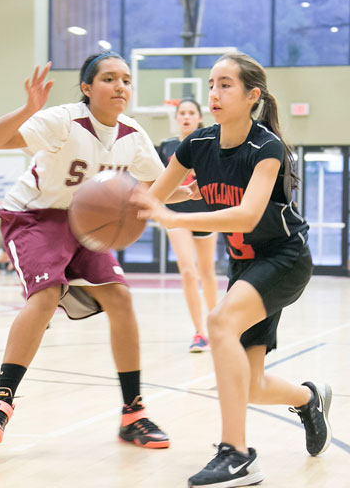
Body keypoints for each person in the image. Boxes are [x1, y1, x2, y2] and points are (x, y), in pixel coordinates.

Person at [132, 52, 332, 487]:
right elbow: (152, 199)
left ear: (251, 95)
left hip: (284, 258)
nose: (214, 94)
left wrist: (176, 217)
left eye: (225, 84)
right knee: (252, 384)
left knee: (219, 321)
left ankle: (237, 455)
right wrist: (117, 205)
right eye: (211, 84)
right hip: (244, 266)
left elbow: (246, 215)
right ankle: (308, 398)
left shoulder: (267, 147)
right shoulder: (197, 145)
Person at [0, 52, 186, 449]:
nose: (120, 86)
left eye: (125, 79)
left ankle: (133, 414)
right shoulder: (62, 120)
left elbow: (160, 187)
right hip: (36, 216)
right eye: (109, 79)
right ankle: (0, 401)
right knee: (46, 294)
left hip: (87, 225)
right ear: (87, 88)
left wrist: (195, 187)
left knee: (120, 298)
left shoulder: (133, 135)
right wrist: (28, 109)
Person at [158, 98, 217, 352]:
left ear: (199, 118)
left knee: (207, 271)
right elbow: (158, 182)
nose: (186, 117)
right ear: (176, 118)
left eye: (191, 112)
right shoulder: (167, 147)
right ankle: (199, 332)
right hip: (176, 214)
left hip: (205, 213)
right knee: (188, 271)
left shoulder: (210, 143)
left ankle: (217, 326)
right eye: (181, 113)